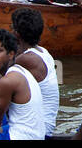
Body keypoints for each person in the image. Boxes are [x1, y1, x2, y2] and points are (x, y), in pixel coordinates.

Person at [0, 29, 44, 140]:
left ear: (11, 54)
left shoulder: (7, 81)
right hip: (36, 134)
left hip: (21, 136)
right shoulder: (20, 70)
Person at [9, 8, 60, 139]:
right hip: (43, 125)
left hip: (38, 129)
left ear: (17, 34)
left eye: (11, 27)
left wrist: (12, 50)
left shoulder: (26, 59)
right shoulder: (43, 51)